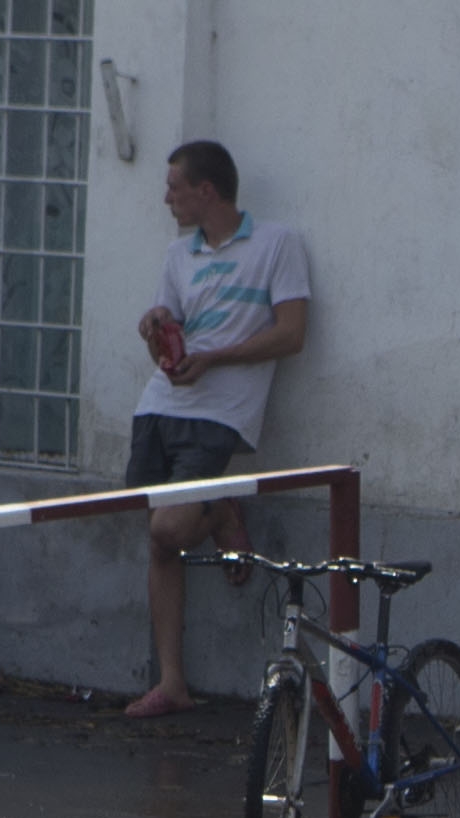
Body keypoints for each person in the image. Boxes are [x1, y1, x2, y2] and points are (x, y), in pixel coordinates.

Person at [123, 140, 311, 720]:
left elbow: (291, 334)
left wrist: (216, 357)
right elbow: (170, 337)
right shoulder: (180, 256)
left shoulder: (277, 244)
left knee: (172, 526)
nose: (166, 198)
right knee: (156, 535)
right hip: (162, 405)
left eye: (174, 186)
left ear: (207, 191)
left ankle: (221, 508)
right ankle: (172, 681)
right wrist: (155, 328)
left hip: (218, 411)